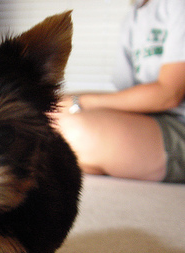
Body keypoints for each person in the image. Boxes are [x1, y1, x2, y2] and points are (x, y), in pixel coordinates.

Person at [52, 0, 185, 182]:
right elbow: (127, 95)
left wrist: (80, 102)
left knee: (73, 131)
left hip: (179, 125)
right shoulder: (133, 16)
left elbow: (169, 95)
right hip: (155, 118)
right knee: (53, 113)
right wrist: (68, 101)